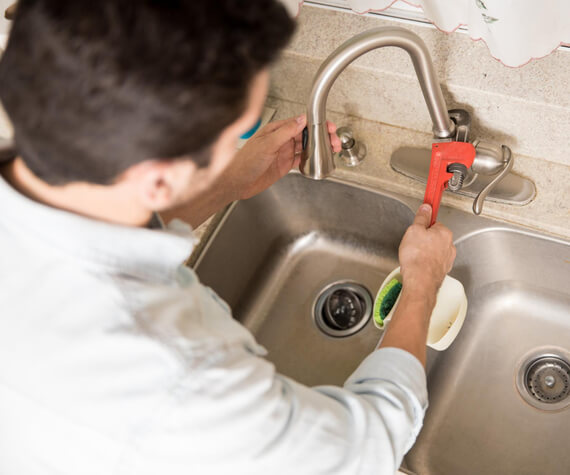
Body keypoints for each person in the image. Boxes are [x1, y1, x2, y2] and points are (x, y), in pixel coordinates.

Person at [0, 1, 456, 474]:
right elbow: (369, 443)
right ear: (158, 179)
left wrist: (224, 183)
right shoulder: (177, 378)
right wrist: (421, 283)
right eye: (230, 137)